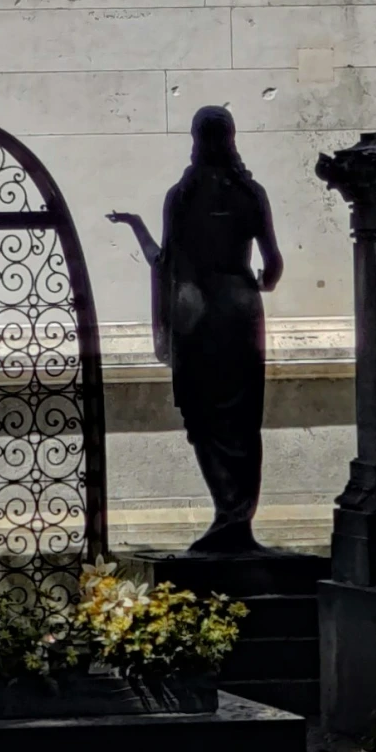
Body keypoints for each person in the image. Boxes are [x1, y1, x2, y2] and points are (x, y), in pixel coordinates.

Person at [109, 106, 283, 554]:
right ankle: (237, 520)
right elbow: (273, 264)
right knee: (244, 422)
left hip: (196, 312)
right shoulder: (251, 193)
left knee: (205, 420)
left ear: (194, 139)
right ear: (232, 137)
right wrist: (260, 281)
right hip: (241, 310)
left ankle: (227, 514)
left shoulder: (181, 196)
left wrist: (136, 228)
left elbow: (165, 262)